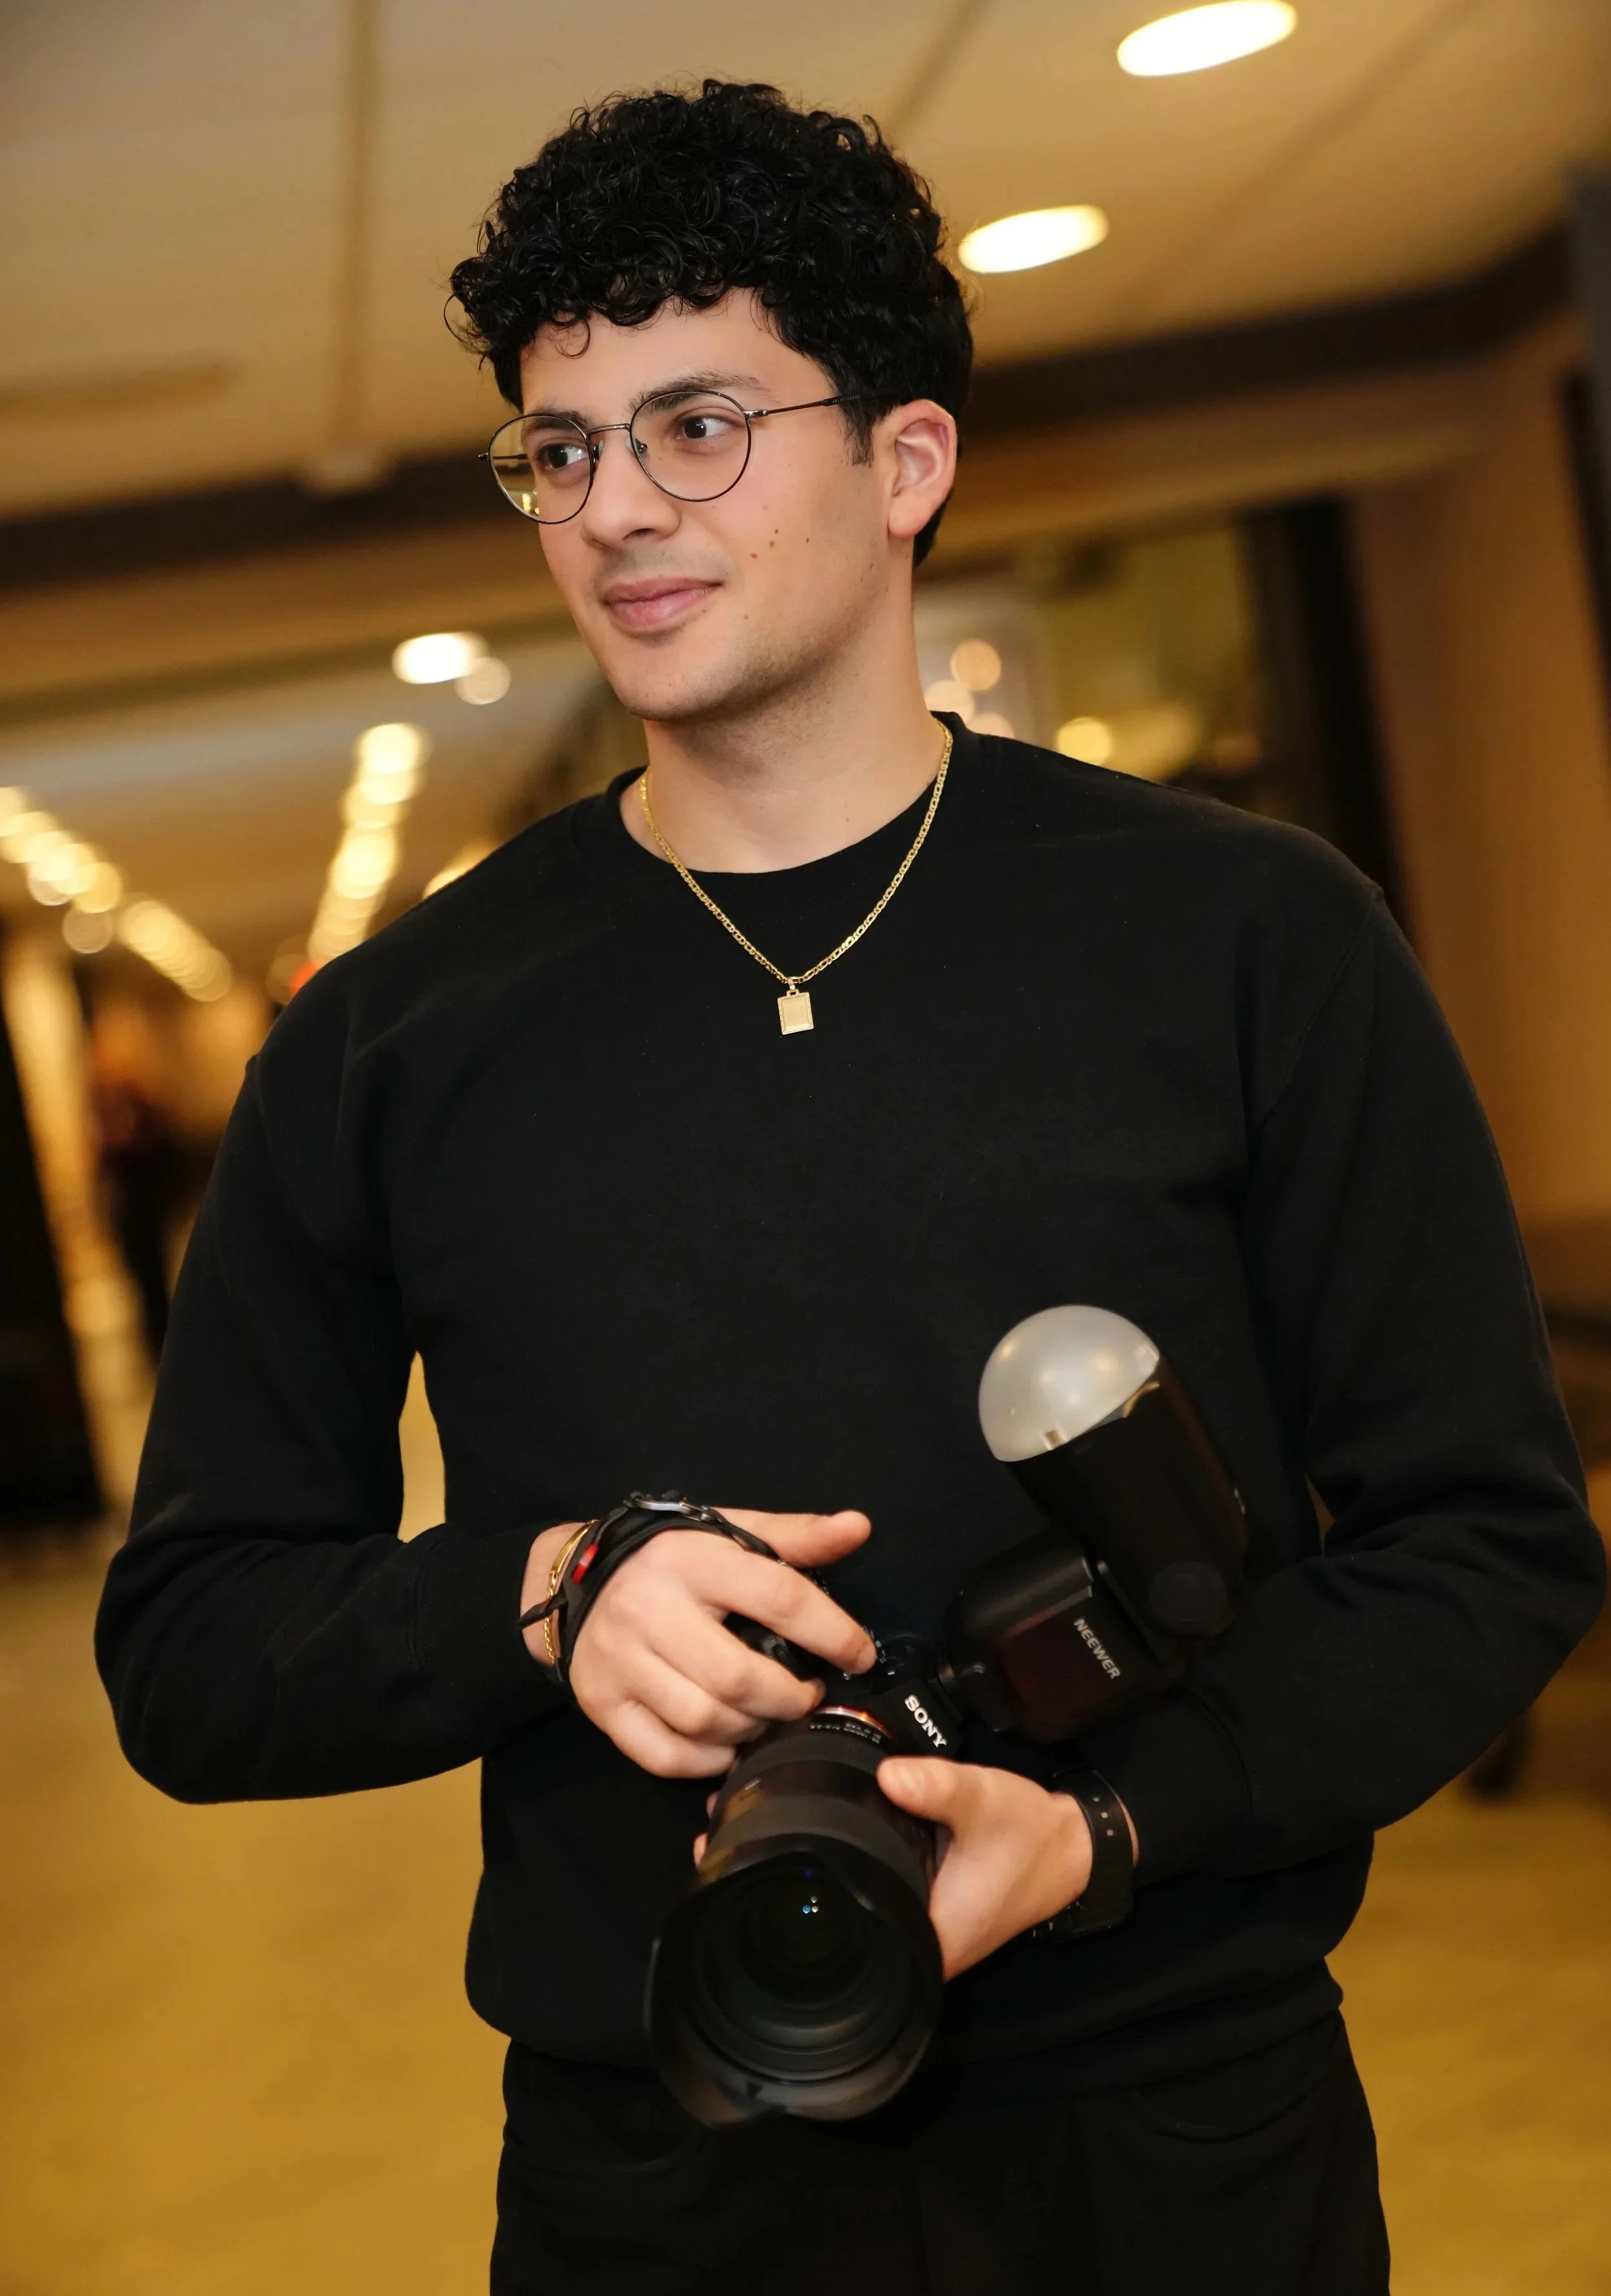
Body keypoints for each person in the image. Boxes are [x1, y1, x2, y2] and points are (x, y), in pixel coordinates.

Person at [96, 79, 1603, 2296]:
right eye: (562, 448)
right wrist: (544, 1601)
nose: (617, 506)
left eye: (698, 426)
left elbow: (1483, 1545)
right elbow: (193, 1648)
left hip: (1175, 2131)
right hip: (654, 2168)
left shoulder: (1247, 940)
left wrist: (1102, 1831)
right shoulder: (385, 1043)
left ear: (908, 462)